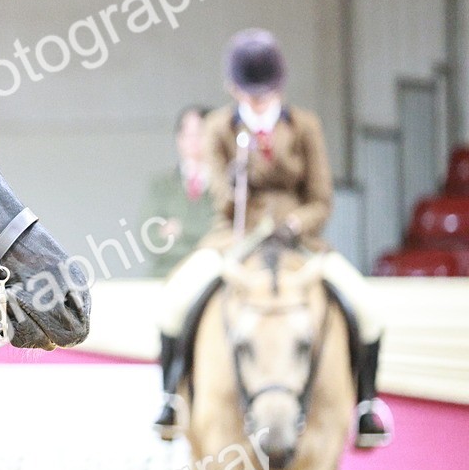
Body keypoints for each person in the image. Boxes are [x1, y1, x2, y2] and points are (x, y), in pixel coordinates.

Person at [153, 28, 389, 448]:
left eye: (265, 92)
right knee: (173, 303)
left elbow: (321, 198)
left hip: (300, 240)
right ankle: (172, 398)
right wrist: (235, 176)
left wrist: (295, 224)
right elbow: (221, 199)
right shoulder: (219, 127)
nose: (258, 101)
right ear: (233, 88)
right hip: (236, 237)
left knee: (368, 309)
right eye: (249, 93)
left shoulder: (305, 126)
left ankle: (366, 406)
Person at [141, 105, 214, 278]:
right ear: (179, 139)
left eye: (200, 134)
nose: (193, 141)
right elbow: (149, 236)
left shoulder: (228, 185)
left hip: (212, 276)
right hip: (166, 274)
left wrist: (180, 228)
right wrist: (200, 233)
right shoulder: (161, 185)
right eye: (188, 134)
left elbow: (225, 234)